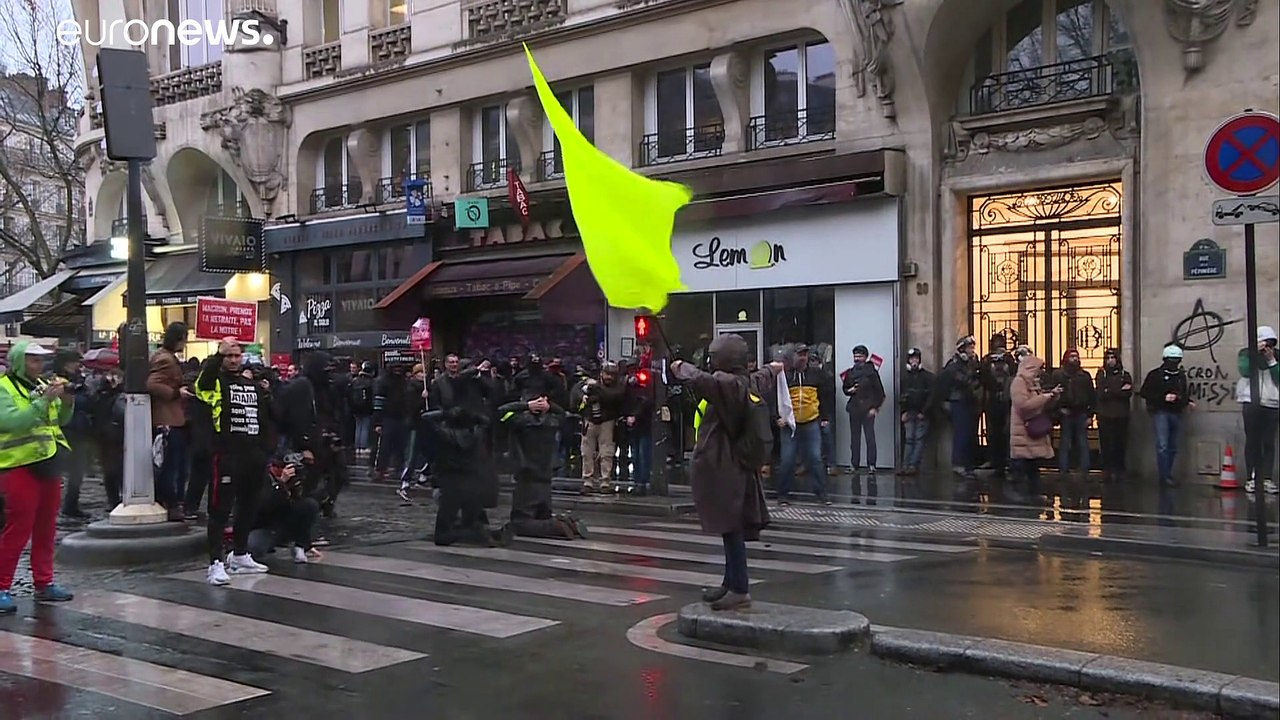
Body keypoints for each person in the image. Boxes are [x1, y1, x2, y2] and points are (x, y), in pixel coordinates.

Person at [670, 335, 777, 612]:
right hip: (736, 463)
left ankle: (739, 588)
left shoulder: (729, 385)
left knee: (731, 527)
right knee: (731, 526)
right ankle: (731, 582)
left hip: (726, 463)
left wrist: (683, 368)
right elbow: (763, 375)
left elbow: (706, 381)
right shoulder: (747, 381)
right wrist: (775, 368)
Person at [0, 342, 76, 614]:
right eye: (33, 360)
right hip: (17, 465)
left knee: (46, 528)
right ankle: (1, 586)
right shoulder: (4, 388)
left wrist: (67, 401)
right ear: (19, 362)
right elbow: (12, 422)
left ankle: (44, 582)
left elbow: (59, 421)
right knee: (18, 528)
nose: (39, 365)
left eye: (41, 360)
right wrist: (43, 400)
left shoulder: (43, 383)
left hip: (47, 462)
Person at [195, 339, 273, 585]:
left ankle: (240, 554)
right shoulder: (214, 382)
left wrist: (265, 450)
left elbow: (266, 417)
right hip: (227, 455)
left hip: (253, 455)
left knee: (249, 506)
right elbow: (202, 384)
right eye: (228, 355)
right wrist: (216, 356)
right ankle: (215, 563)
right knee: (219, 510)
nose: (233, 359)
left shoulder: (252, 385)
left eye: (237, 355)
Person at [497, 393, 586, 539]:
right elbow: (563, 414)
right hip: (546, 475)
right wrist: (550, 406)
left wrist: (526, 406)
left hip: (526, 475)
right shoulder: (552, 421)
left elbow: (500, 412)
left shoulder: (520, 420)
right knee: (541, 517)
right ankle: (568, 523)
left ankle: (557, 525)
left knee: (519, 522)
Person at [425, 405, 508, 547]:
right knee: (469, 518)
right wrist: (472, 414)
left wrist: (445, 413)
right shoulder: (475, 435)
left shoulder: (443, 435)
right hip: (471, 482)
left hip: (450, 482)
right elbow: (485, 421)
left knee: (443, 532)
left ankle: (473, 533)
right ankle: (477, 532)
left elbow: (426, 418)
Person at [776, 344, 832, 505]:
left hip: (811, 421)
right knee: (787, 459)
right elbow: (775, 397)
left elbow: (825, 395)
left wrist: (824, 416)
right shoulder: (784, 376)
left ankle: (821, 493)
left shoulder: (817, 374)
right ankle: (783, 494)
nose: (803, 358)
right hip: (790, 423)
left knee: (815, 458)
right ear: (792, 357)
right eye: (799, 355)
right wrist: (777, 417)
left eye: (805, 355)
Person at [148, 322, 193, 521]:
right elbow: (152, 384)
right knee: (170, 465)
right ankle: (171, 502)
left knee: (170, 464)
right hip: (168, 418)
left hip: (170, 417)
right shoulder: (165, 359)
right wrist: (176, 392)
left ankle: (169, 501)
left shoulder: (164, 357)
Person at [1139, 344, 1195, 487]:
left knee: (1172, 446)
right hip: (1160, 412)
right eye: (1171, 360)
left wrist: (1186, 401)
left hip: (1176, 412)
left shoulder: (1180, 376)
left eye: (1176, 360)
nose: (1174, 363)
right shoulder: (1155, 375)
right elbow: (1145, 392)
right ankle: (1164, 476)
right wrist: (1163, 397)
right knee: (1163, 445)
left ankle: (1167, 473)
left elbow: (1184, 392)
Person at [248, 456, 321, 564]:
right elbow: (264, 505)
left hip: (284, 525)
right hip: (264, 525)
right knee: (255, 548)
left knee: (310, 505)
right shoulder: (262, 478)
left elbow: (302, 505)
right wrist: (281, 484)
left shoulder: (293, 479)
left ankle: (298, 546)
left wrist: (306, 543)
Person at [1009, 354, 1061, 504]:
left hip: (1030, 431)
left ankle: (1033, 494)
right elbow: (1023, 405)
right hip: (1022, 431)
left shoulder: (1033, 383)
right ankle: (1019, 494)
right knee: (1022, 464)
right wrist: (1045, 397)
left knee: (1032, 465)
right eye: (1039, 369)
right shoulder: (1019, 383)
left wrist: (1052, 396)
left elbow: (1039, 405)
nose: (1040, 372)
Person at [1238, 326, 1279, 494]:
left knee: (1268, 442)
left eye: (1270, 344)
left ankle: (1267, 478)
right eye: (1264, 343)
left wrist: (1271, 361)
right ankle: (1251, 478)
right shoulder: (1245, 353)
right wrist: (1255, 354)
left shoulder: (1277, 355)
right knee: (1252, 441)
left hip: (1272, 403)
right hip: (1250, 401)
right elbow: (1246, 371)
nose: (1267, 347)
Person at [934, 335, 981, 480]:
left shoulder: (973, 363)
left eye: (973, 348)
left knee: (970, 435)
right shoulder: (954, 364)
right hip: (958, 402)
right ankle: (959, 464)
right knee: (961, 434)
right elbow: (959, 381)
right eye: (969, 348)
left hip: (970, 402)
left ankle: (969, 465)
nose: (972, 351)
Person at [52, 349, 91, 519]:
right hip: (65, 429)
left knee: (77, 470)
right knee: (59, 471)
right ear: (66, 363)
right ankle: (64, 505)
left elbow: (86, 401)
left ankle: (71, 504)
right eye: (75, 362)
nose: (78, 365)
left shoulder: (78, 380)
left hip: (79, 429)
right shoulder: (56, 381)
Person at [576, 362, 626, 493]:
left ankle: (605, 481)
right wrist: (584, 396)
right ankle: (588, 481)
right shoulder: (587, 384)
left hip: (607, 421)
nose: (609, 377)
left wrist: (596, 388)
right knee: (586, 452)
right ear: (601, 373)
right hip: (589, 420)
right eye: (607, 374)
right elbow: (574, 395)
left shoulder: (618, 387)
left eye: (612, 375)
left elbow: (613, 397)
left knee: (607, 453)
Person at [841, 344, 886, 486]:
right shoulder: (850, 372)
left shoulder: (872, 372)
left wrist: (875, 408)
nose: (857, 359)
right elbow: (845, 389)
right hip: (854, 409)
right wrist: (850, 390)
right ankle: (854, 465)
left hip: (868, 409)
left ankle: (871, 465)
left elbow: (880, 393)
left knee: (869, 438)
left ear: (865, 357)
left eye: (860, 356)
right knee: (854, 438)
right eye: (855, 356)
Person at [979, 335, 1017, 478]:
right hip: (992, 399)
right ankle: (994, 460)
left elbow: (1013, 374)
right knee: (992, 432)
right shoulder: (987, 360)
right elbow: (984, 377)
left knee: (1007, 431)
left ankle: (1008, 460)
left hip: (1007, 399)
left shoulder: (1009, 359)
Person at [1094, 348, 1134, 482]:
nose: (1110, 361)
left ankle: (1119, 470)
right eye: (1108, 358)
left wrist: (1110, 391)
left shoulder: (1125, 374)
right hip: (1105, 415)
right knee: (1106, 444)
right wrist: (1118, 390)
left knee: (1120, 444)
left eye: (1113, 358)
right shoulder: (1101, 374)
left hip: (1121, 415)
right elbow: (1101, 394)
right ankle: (1107, 470)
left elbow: (1128, 393)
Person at [898, 347, 935, 476]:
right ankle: (905, 465)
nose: (914, 361)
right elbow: (902, 396)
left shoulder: (927, 377)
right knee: (909, 439)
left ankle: (913, 465)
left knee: (918, 439)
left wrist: (924, 412)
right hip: (909, 413)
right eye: (912, 359)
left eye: (916, 358)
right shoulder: (905, 377)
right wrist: (903, 412)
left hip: (922, 414)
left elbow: (931, 397)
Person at [373, 363, 410, 482]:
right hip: (387, 417)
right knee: (385, 446)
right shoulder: (384, 382)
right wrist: (378, 421)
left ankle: (398, 468)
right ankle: (381, 470)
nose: (398, 370)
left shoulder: (404, 382)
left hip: (401, 417)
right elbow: (378, 402)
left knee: (400, 446)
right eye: (395, 368)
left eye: (399, 368)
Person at [349, 362, 375, 463]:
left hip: (355, 408)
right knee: (365, 426)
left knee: (358, 426)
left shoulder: (355, 381)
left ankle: (357, 447)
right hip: (366, 409)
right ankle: (363, 447)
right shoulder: (370, 382)